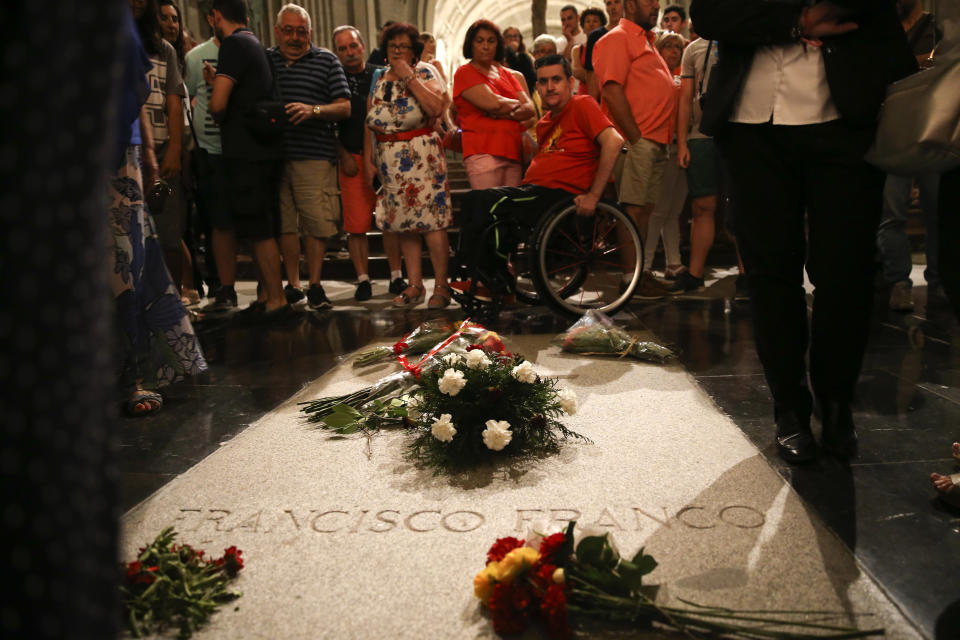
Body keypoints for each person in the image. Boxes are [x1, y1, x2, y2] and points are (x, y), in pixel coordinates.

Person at [691, 0, 916, 463]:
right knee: (771, 275)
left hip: (844, 119)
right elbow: (711, 14)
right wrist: (795, 22)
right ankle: (789, 409)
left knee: (846, 272)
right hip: (752, 123)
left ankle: (836, 404)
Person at [454, 54, 623, 294]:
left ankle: (494, 279)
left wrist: (594, 196)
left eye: (556, 79)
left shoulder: (582, 104)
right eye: (543, 82)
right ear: (537, 87)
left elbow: (614, 141)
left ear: (570, 82)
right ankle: (477, 273)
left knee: (491, 202)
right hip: (534, 192)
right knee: (473, 201)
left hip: (559, 196)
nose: (550, 87)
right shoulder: (544, 123)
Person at [116, 5, 207, 416]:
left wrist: (157, 151)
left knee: (129, 264)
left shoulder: (149, 42)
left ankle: (136, 375)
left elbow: (139, 95)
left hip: (121, 151)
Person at [205, 0, 290, 316]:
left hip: (247, 151)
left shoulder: (233, 45)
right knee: (259, 225)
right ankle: (268, 296)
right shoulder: (253, 42)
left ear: (215, 17)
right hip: (262, 149)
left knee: (259, 227)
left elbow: (217, 104)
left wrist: (215, 93)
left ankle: (276, 300)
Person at [267, 4, 350, 310]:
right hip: (275, 156)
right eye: (288, 30)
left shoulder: (326, 60)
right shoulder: (267, 59)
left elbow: (344, 107)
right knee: (286, 224)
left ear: (310, 33)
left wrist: (313, 110)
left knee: (317, 223)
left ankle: (315, 284)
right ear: (278, 32)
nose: (294, 37)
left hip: (314, 154)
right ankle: (293, 284)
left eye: (301, 31)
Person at [365, 22, 453, 309]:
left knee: (432, 222)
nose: (398, 51)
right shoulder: (379, 78)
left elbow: (435, 108)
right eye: (393, 46)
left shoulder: (426, 72)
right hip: (391, 160)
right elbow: (371, 120)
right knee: (403, 224)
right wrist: (371, 159)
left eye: (404, 46)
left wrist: (409, 77)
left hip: (421, 156)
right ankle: (414, 284)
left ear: (414, 50)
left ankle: (441, 286)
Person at [594, 0, 678, 299]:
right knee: (632, 210)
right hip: (639, 140)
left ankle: (640, 273)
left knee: (644, 211)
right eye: (647, 0)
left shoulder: (646, 39)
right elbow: (612, 90)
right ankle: (630, 278)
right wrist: (635, 137)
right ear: (629, 4)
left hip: (656, 139)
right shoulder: (616, 39)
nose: (654, 5)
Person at [877, 0, 944, 312]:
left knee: (939, 212)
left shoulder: (937, 27)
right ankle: (898, 282)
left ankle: (940, 281)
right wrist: (920, 66)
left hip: (933, 133)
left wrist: (909, 67)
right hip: (891, 133)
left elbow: (946, 68)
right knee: (891, 214)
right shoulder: (882, 29)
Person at [333, 25, 407, 300]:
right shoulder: (333, 76)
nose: (349, 52)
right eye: (342, 48)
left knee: (389, 220)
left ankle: (396, 276)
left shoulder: (380, 73)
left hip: (385, 153)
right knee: (356, 224)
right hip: (351, 155)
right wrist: (341, 155)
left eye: (353, 46)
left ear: (363, 45)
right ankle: (363, 279)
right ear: (337, 52)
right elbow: (329, 124)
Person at [132, 0, 190, 300]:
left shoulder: (164, 50)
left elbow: (174, 99)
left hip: (163, 146)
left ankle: (175, 300)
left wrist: (175, 148)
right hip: (129, 152)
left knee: (169, 232)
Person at [185, 9, 233, 309]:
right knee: (216, 220)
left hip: (238, 148)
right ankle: (221, 285)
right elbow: (185, 99)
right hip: (207, 149)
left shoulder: (242, 50)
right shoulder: (195, 57)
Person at [453, 20, 537, 189]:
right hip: (482, 153)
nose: (486, 46)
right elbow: (493, 104)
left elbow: (530, 110)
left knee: (509, 212)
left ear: (498, 45)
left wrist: (501, 112)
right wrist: (510, 109)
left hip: (513, 153)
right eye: (480, 41)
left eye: (491, 41)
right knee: (489, 211)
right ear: (471, 44)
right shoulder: (465, 72)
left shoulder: (509, 74)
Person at [643, 31, 686, 283]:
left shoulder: (683, 76)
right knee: (658, 210)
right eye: (668, 46)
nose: (674, 51)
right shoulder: (655, 77)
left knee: (674, 210)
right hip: (663, 145)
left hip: (682, 144)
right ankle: (645, 267)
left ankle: (674, 262)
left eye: (677, 47)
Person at [582, 0, 625, 100]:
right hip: (604, 96)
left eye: (617, 2)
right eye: (609, 3)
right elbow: (591, 73)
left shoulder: (633, 31)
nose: (613, 7)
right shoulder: (596, 36)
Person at [571, 8, 607, 95]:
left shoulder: (607, 47)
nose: (591, 24)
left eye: (595, 21)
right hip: (584, 94)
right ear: (583, 28)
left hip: (604, 94)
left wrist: (589, 74)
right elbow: (577, 72)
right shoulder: (577, 49)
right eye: (587, 21)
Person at [503, 26, 537, 94]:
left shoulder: (528, 57)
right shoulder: (501, 57)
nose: (513, 39)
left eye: (515, 36)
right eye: (509, 36)